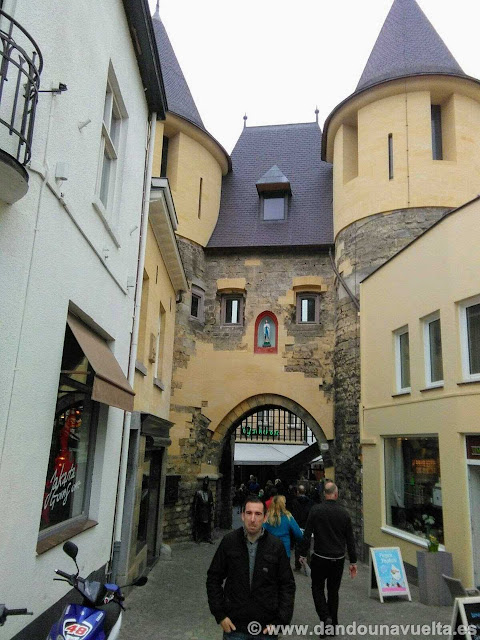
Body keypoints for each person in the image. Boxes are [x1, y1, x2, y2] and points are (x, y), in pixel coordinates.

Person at [207, 495, 296, 639]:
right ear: (242, 516)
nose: (253, 519)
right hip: (235, 626)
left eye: (258, 514)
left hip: (265, 627)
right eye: (249, 513)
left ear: (265, 517)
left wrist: (281, 620)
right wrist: (220, 614)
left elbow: (287, 585)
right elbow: (213, 578)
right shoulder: (229, 542)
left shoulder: (276, 546)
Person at [299, 481, 357, 637]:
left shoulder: (316, 511)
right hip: (338, 559)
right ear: (336, 495)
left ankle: (325, 618)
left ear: (324, 495)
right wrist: (353, 561)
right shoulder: (344, 514)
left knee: (317, 588)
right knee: (333, 592)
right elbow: (350, 539)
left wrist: (302, 553)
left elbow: (307, 534)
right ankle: (333, 625)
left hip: (320, 557)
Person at [290, 484, 314, 570]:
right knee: (307, 545)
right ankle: (308, 563)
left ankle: (298, 564)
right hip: (307, 526)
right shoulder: (310, 502)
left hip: (298, 525)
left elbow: (294, 514)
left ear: (297, 492)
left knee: (298, 546)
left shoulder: (295, 502)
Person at [193, 476, 214, 543]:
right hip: (201, 511)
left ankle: (208, 537)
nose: (205, 485)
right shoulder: (199, 493)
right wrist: (195, 512)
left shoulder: (209, 492)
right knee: (200, 525)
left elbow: (211, 501)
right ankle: (199, 537)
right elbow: (195, 504)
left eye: (206, 484)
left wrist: (212, 509)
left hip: (207, 510)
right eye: (204, 484)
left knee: (207, 525)